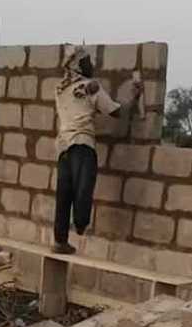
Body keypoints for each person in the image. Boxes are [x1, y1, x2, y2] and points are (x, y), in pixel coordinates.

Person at [53, 45, 142, 254]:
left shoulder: (60, 88)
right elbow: (116, 111)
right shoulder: (91, 86)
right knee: (83, 188)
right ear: (79, 65)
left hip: (63, 146)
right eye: (87, 62)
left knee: (64, 195)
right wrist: (134, 98)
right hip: (83, 144)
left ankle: (60, 241)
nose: (91, 65)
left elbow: (75, 104)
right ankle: (81, 224)